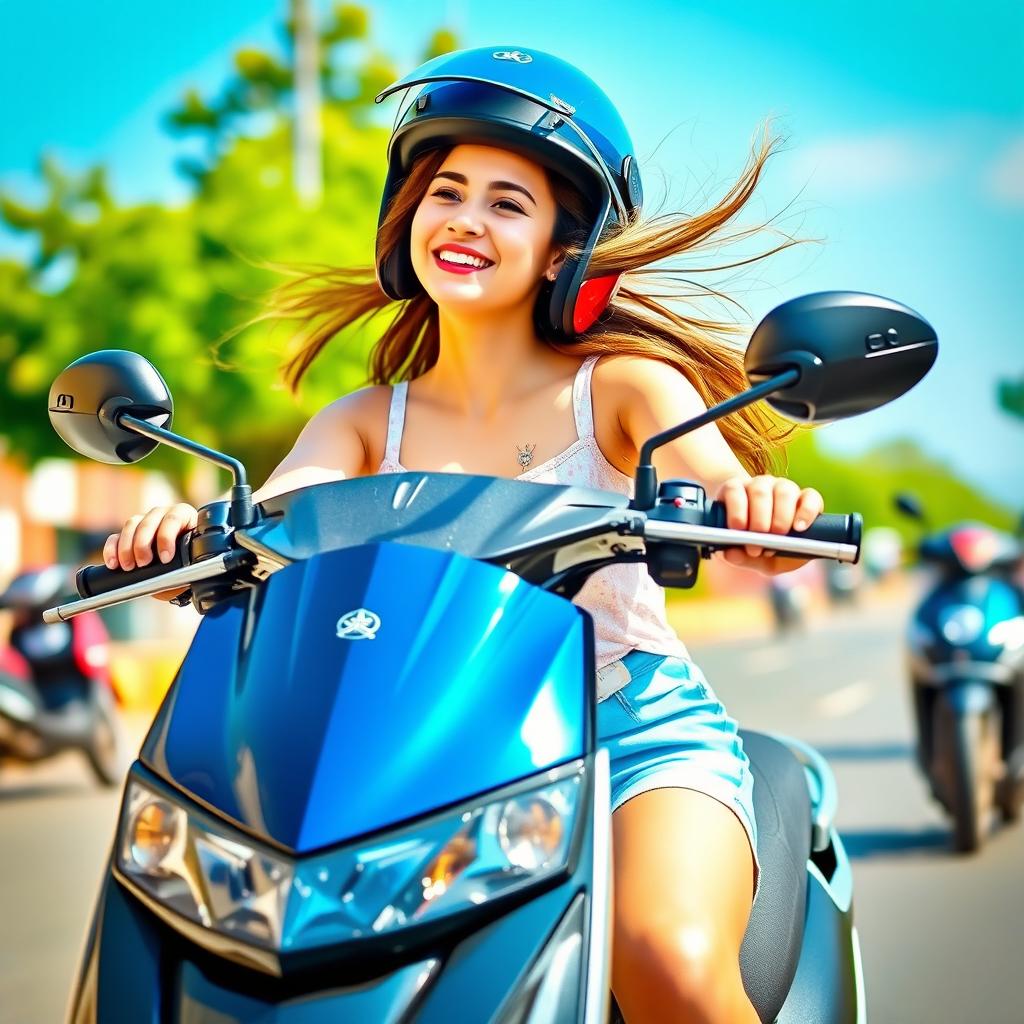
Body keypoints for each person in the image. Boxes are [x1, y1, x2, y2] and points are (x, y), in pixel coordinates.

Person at [103, 47, 823, 1024]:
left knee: (667, 960)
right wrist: (180, 536)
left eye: (506, 202)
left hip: (627, 733)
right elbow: (272, 520)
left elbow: (733, 502)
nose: (466, 220)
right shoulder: (363, 421)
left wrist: (763, 517)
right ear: (409, 216)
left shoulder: (619, 389)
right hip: (424, 744)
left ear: (564, 248)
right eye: (448, 190)